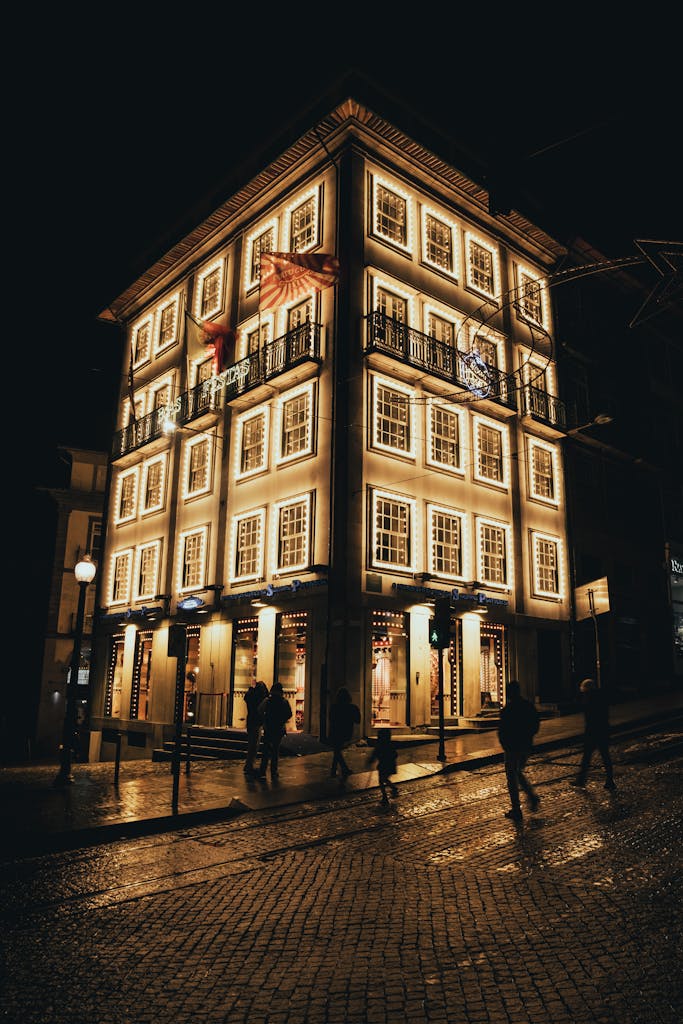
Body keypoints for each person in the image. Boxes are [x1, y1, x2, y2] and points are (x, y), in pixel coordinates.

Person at [498, 679, 541, 822]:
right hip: (525, 745)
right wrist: (529, 737)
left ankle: (517, 809)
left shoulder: (508, 710)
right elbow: (536, 724)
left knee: (512, 777)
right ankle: (531, 796)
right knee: (517, 772)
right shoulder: (528, 706)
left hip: (512, 747)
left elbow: (502, 730)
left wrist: (505, 744)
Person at [571, 677, 616, 790]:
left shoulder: (588, 698)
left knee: (587, 756)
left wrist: (579, 696)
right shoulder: (601, 696)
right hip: (603, 729)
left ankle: (581, 780)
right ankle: (610, 780)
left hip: (592, 731)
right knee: (605, 756)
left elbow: (579, 705)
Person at [257, 682, 292, 780]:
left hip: (268, 727)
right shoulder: (284, 701)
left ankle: (263, 771)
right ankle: (274, 771)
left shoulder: (268, 700)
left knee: (266, 750)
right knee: (275, 751)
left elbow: (259, 710)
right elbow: (289, 713)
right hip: (279, 728)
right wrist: (282, 719)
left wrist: (265, 718)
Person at [328, 687, 361, 779]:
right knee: (337, 750)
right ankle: (339, 770)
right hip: (346, 732)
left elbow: (330, 719)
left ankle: (339, 770)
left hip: (335, 731)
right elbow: (358, 720)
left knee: (337, 750)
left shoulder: (334, 707)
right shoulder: (352, 708)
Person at [243, 679, 269, 775]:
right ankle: (249, 765)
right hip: (257, 722)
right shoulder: (259, 697)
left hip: (250, 720)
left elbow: (247, 698)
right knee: (254, 745)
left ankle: (248, 764)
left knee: (251, 744)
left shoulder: (250, 695)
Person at [368, 728, 399, 805]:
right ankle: (393, 788)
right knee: (384, 779)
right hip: (390, 765)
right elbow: (395, 755)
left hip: (383, 765)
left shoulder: (379, 746)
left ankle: (385, 797)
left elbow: (374, 755)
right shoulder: (390, 745)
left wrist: (370, 761)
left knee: (382, 781)